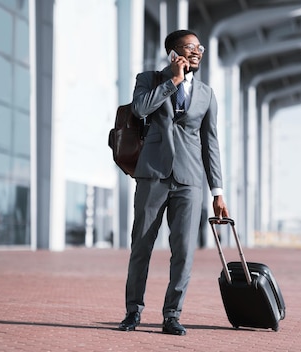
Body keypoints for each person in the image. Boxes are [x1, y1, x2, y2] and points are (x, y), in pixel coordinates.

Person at [117, 30, 229, 336]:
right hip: (153, 174)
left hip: (190, 181)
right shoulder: (149, 79)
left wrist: (217, 191)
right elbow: (140, 110)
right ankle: (133, 311)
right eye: (190, 48)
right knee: (141, 246)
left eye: (199, 48)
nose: (197, 52)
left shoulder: (207, 94)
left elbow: (211, 144)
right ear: (172, 52)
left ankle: (171, 314)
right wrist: (173, 81)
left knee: (184, 251)